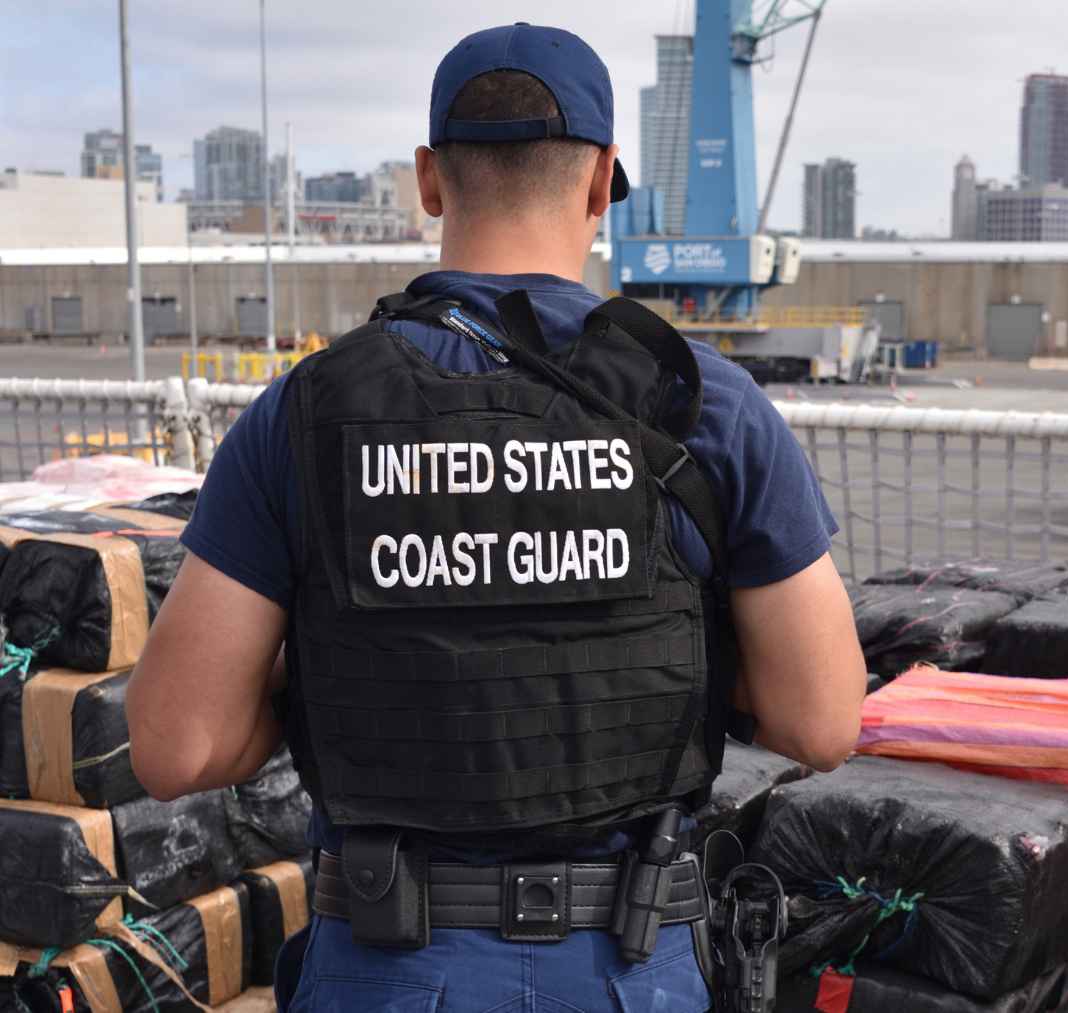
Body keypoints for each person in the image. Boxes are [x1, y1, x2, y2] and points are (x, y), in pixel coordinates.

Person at [125, 23, 865, 1013]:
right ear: (604, 182)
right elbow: (822, 721)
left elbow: (175, 745)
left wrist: (334, 678)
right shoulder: (708, 407)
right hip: (624, 968)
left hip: (383, 967)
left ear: (429, 180)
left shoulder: (304, 414)